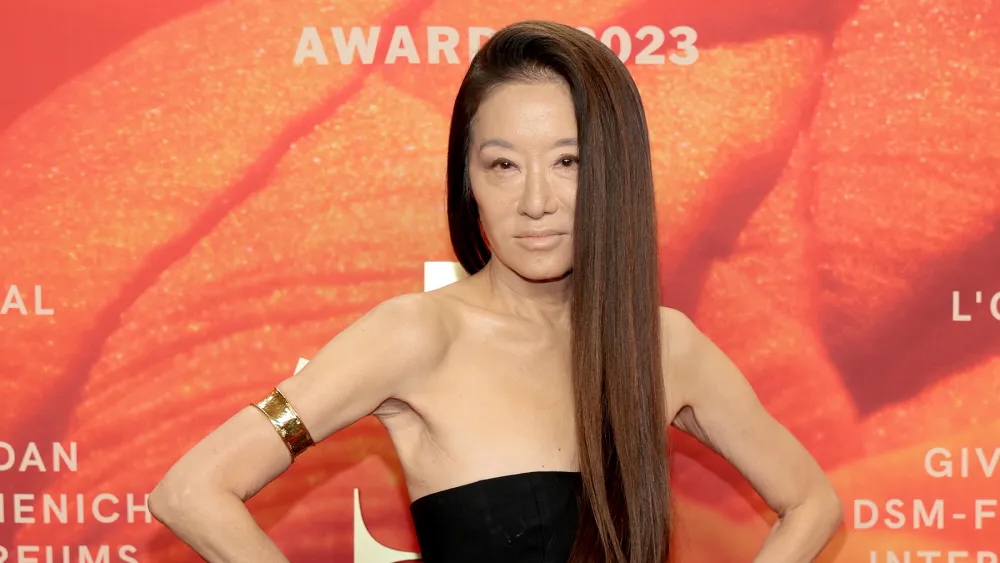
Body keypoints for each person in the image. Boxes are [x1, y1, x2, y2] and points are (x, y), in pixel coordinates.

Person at [148, 20, 844, 563]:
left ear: (615, 173)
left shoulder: (662, 347)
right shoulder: (418, 334)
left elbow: (812, 502)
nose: (536, 201)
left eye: (568, 161)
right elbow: (190, 491)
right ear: (469, 182)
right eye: (503, 165)